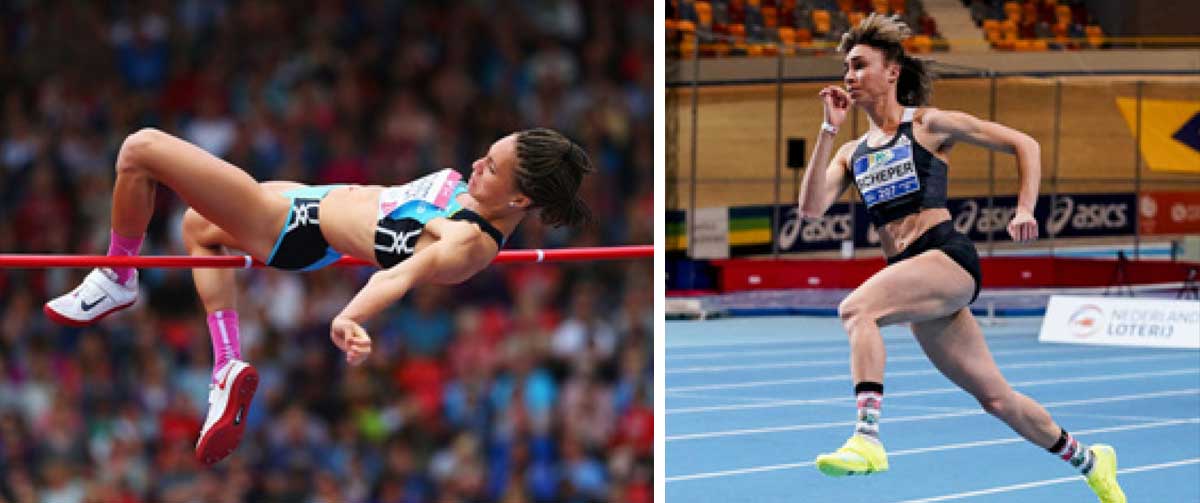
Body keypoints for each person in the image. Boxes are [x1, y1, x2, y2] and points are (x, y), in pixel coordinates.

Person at [43, 127, 593, 466]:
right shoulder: (477, 200)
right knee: (197, 227)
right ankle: (227, 365)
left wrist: (349, 316)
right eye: (486, 154)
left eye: (491, 168)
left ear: (519, 197)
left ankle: (117, 275)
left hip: (290, 226)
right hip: (310, 200)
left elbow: (397, 278)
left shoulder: (466, 240)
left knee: (141, 150)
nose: (477, 165)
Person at [798, 14, 1124, 502]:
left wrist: (1025, 208)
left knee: (857, 310)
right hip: (909, 274)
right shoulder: (850, 152)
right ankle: (1091, 461)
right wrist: (827, 129)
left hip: (946, 258)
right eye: (847, 66)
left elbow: (1024, 143)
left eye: (860, 65)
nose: (849, 75)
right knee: (996, 399)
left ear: (892, 72)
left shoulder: (928, 124)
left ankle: (867, 438)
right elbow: (809, 208)